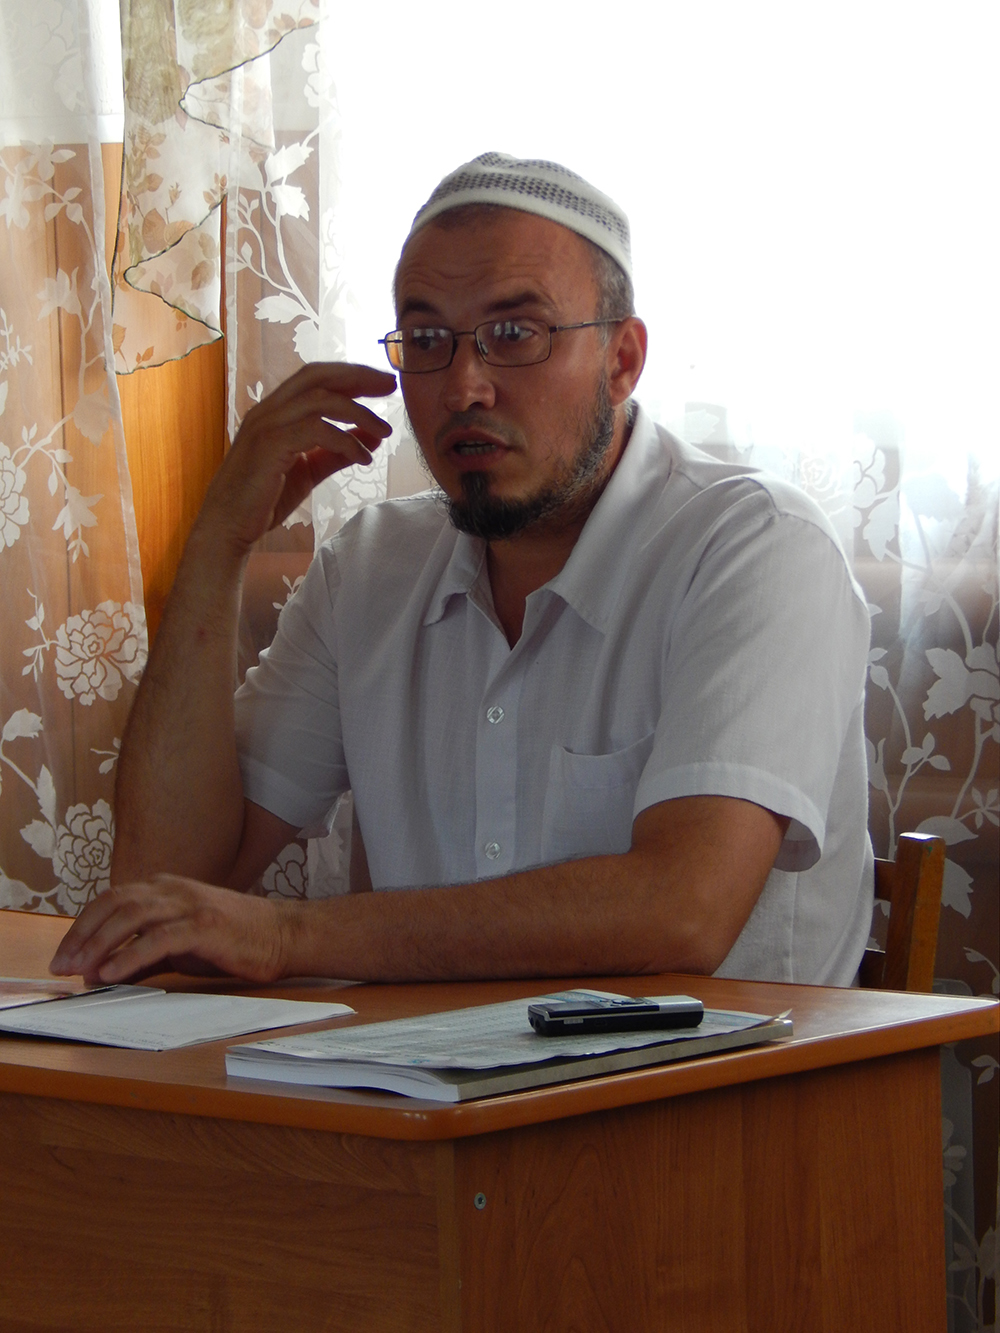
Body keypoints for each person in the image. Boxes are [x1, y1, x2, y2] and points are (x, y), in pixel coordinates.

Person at [51, 153, 873, 989]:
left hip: (729, 1074)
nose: (463, 387)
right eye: (428, 342)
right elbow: (164, 885)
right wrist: (218, 542)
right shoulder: (369, 570)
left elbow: (682, 910)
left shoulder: (755, 547)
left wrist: (287, 935)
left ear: (622, 360)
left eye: (514, 335)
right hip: (412, 1071)